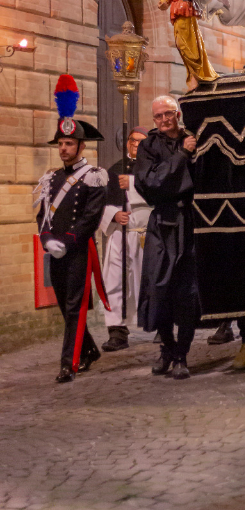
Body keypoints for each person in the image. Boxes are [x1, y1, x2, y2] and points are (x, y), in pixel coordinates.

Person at [35, 75, 108, 382]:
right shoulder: (49, 178)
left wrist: (67, 240)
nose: (63, 149)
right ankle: (89, 349)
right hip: (55, 250)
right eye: (61, 144)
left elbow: (91, 217)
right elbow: (41, 215)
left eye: (68, 144)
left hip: (77, 249)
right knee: (66, 306)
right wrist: (47, 239)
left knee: (75, 308)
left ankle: (70, 362)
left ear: (80, 145)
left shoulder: (94, 176)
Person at [135, 95, 201, 379]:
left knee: (187, 292)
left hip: (189, 223)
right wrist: (182, 156)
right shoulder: (148, 146)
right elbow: (151, 183)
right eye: (157, 116)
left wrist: (186, 155)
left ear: (177, 114)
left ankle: (182, 356)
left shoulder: (194, 139)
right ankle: (167, 349)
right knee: (158, 289)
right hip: (161, 224)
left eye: (167, 114)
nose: (162, 120)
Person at [99, 127, 151, 352]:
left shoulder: (156, 168)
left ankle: (160, 326)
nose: (136, 145)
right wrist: (112, 215)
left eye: (142, 142)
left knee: (152, 281)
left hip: (149, 234)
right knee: (115, 283)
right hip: (121, 234)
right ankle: (117, 332)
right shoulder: (114, 171)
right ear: (127, 143)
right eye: (133, 141)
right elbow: (97, 204)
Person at [149, 0, 219, 88]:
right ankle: (194, 74)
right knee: (181, 45)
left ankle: (199, 74)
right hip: (177, 13)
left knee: (187, 44)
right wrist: (164, 2)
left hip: (184, 11)